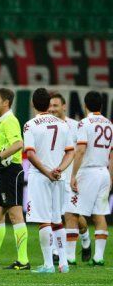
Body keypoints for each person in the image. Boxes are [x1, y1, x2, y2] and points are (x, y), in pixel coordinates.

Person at [24, 88, 74, 274]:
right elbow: (71, 151)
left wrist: (46, 172)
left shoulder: (30, 125)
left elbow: (30, 154)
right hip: (58, 177)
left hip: (41, 177)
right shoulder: (63, 124)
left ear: (33, 104)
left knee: (44, 220)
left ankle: (48, 265)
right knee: (57, 220)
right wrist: (59, 169)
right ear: (48, 103)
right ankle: (63, 263)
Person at [69, 91, 112, 266]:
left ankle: (70, 256)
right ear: (101, 106)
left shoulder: (84, 123)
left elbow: (80, 151)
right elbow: (111, 155)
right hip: (103, 172)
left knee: (72, 212)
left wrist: (73, 174)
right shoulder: (109, 124)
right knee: (99, 214)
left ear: (85, 105)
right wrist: (110, 176)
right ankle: (99, 257)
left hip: (88, 172)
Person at [48, 93, 91, 264]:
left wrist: (77, 174)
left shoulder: (76, 126)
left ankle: (85, 236)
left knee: (72, 214)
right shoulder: (46, 125)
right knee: (55, 213)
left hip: (72, 177)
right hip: (53, 176)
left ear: (64, 107)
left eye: (56, 106)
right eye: (50, 106)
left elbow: (81, 152)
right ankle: (56, 252)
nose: (52, 109)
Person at [0, 88, 29, 270]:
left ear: (6, 103)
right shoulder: (0, 120)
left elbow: (19, 143)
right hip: (4, 172)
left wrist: (0, 156)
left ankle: (23, 260)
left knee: (15, 215)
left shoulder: (9, 120)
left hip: (12, 171)